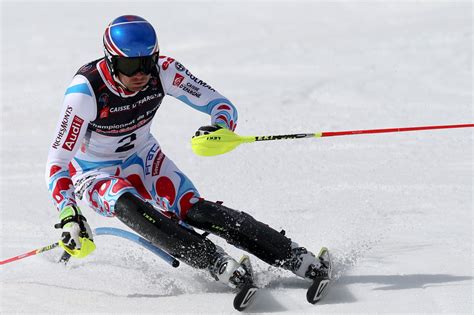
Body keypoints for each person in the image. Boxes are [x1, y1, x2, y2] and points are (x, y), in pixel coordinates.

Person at [46, 15, 328, 289]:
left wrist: (220, 128)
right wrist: (69, 214)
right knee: (126, 203)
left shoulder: (164, 71)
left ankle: (294, 256)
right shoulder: (86, 92)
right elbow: (58, 161)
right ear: (111, 59)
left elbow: (221, 105)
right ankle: (214, 262)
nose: (141, 73)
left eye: (147, 61)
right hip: (94, 172)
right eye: (130, 64)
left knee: (192, 208)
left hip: (142, 157)